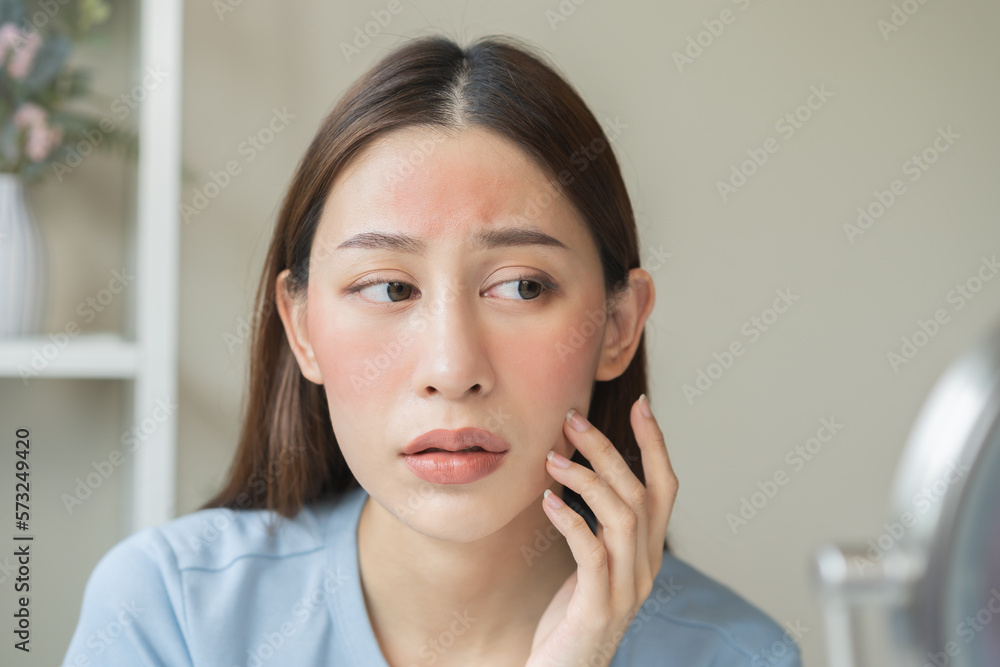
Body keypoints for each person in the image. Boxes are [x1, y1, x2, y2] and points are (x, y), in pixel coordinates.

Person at [63, 33, 804, 667]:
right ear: (302, 329)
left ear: (617, 324)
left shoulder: (738, 654)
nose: (452, 369)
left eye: (520, 287)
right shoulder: (170, 613)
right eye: (389, 289)